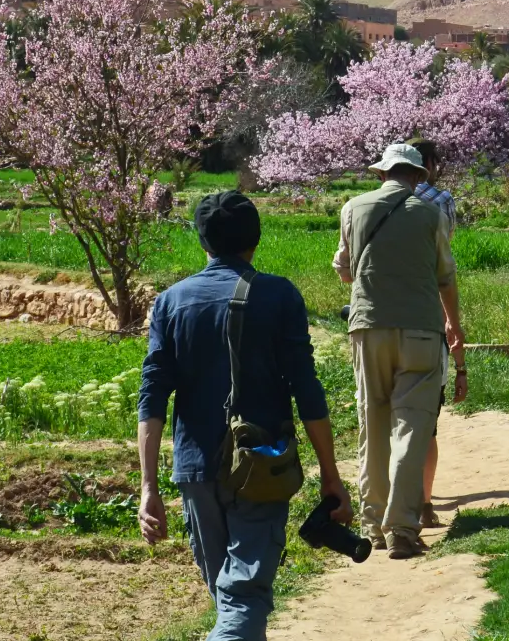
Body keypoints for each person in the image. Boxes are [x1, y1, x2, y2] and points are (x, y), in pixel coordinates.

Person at [138, 191, 351, 641]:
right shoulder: (278, 296)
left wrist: (148, 487)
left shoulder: (171, 302)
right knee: (243, 598)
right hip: (261, 465)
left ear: (203, 242)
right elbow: (307, 390)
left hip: (195, 470)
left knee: (229, 598)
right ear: (255, 239)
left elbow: (152, 398)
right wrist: (330, 474)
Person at [334, 143, 465, 559]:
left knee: (372, 421)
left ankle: (372, 525)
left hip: (368, 328)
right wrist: (455, 329)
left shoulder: (353, 208)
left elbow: (344, 268)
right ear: (416, 176)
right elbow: (445, 277)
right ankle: (402, 529)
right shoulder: (431, 214)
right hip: (422, 332)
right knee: (413, 427)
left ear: (383, 174)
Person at [409, 139, 465, 529]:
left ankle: (383, 510)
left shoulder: (364, 206)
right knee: (425, 419)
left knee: (384, 420)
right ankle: (424, 504)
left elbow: (345, 269)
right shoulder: (440, 202)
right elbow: (445, 263)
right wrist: (454, 327)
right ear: (427, 164)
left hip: (377, 323)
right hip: (428, 314)